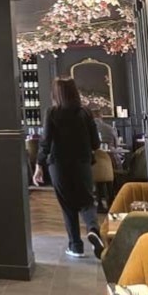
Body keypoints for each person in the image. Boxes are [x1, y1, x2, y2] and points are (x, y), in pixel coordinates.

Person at [34, 77, 105, 259]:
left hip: (58, 165)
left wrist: (38, 165)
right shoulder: (86, 113)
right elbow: (96, 144)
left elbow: (45, 142)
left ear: (55, 93)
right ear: (75, 91)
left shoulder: (51, 113)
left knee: (68, 206)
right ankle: (93, 229)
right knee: (87, 201)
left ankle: (76, 246)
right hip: (82, 163)